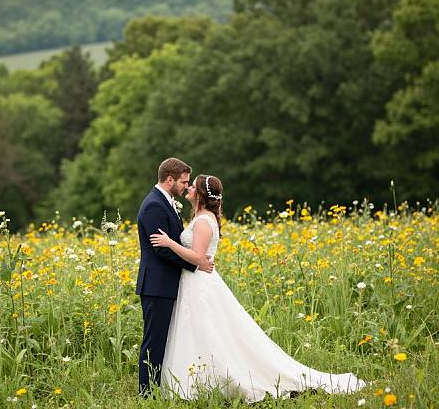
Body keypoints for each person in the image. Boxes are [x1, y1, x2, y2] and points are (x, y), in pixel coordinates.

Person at [150, 174, 367, 402]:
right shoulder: (201, 217)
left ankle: (213, 382)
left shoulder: (204, 221)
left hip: (200, 284)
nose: (188, 189)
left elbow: (196, 257)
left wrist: (169, 243)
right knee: (199, 331)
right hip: (194, 282)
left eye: (192, 186)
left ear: (201, 194)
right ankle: (195, 382)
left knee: (207, 331)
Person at [136, 158, 214, 396]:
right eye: (183, 181)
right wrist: (196, 264)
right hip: (157, 285)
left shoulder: (165, 202)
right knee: (154, 340)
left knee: (164, 339)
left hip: (166, 283)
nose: (185, 186)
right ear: (169, 180)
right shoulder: (153, 206)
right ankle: (146, 393)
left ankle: (159, 387)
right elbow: (161, 249)